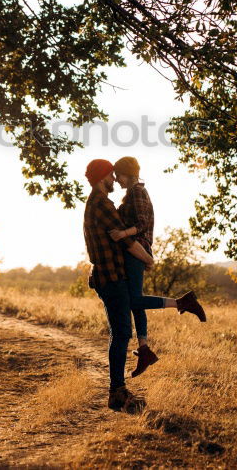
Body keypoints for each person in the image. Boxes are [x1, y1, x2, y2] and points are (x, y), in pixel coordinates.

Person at [112, 156, 206, 378]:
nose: (116, 180)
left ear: (128, 173)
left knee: (134, 300)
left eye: (119, 175)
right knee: (136, 299)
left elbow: (143, 222)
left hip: (137, 249)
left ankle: (183, 302)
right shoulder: (133, 193)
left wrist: (123, 234)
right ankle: (144, 349)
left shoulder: (137, 192)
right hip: (134, 250)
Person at [82, 158, 150, 412]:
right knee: (121, 334)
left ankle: (118, 391)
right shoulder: (102, 204)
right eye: (110, 176)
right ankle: (117, 394)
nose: (114, 180)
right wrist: (148, 259)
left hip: (108, 277)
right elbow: (127, 242)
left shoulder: (97, 203)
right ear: (102, 178)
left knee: (119, 333)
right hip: (111, 277)